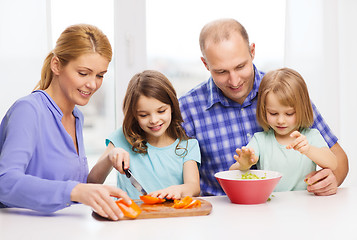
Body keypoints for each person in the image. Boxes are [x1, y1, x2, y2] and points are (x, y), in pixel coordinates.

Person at [179, 18, 348, 196]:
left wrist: (331, 179)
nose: (234, 81)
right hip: (219, 214)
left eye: (240, 66)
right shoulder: (187, 108)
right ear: (206, 64)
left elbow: (339, 159)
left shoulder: (284, 92)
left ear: (252, 52)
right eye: (221, 71)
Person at [0, 24, 131, 221]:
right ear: (56, 65)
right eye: (83, 73)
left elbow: (76, 186)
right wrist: (76, 190)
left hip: (65, 229)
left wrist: (109, 157)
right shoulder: (28, 110)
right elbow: (5, 182)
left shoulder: (76, 117)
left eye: (100, 75)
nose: (93, 84)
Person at [87, 70, 201, 200]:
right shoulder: (123, 137)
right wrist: (109, 158)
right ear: (134, 115)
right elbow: (92, 181)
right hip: (130, 217)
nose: (153, 120)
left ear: (172, 107)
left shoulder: (188, 146)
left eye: (161, 111)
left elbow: (193, 187)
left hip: (171, 217)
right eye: (144, 115)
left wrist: (178, 190)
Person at [229, 68, 337, 191]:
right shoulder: (260, 140)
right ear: (264, 110)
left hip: (305, 205)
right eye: (273, 113)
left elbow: (333, 163)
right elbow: (232, 172)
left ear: (302, 109)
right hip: (271, 206)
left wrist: (308, 150)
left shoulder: (311, 136)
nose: (281, 120)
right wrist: (243, 164)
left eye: (289, 113)